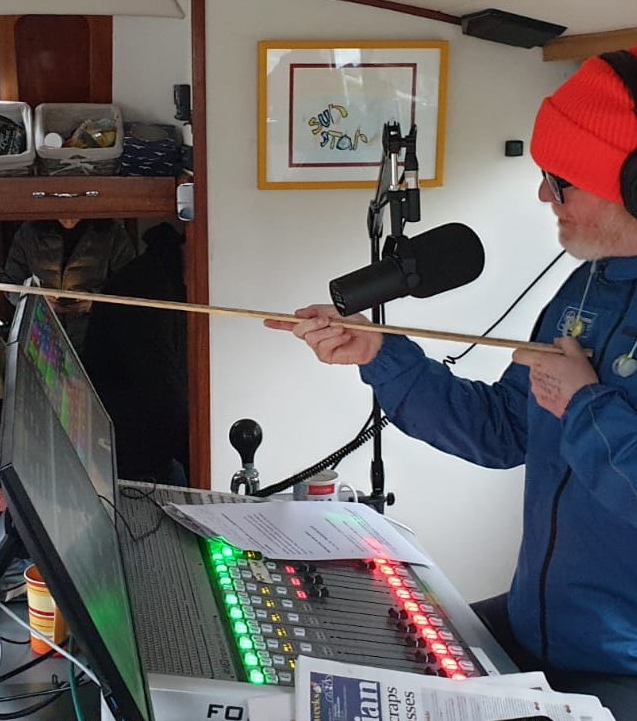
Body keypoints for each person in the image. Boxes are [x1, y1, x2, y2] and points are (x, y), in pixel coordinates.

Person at [265, 48, 637, 718]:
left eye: (561, 180)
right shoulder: (585, 283)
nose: (542, 196)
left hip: (620, 668)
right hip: (535, 625)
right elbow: (501, 428)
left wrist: (583, 403)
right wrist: (378, 354)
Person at [83, 222, 189, 485]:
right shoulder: (145, 289)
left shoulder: (161, 274)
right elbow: (164, 389)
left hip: (139, 437)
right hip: (130, 448)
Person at [4, 217, 135, 352]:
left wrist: (96, 302)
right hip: (42, 335)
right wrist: (37, 302)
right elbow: (10, 284)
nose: (69, 219)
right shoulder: (30, 232)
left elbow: (130, 286)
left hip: (96, 333)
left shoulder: (112, 233)